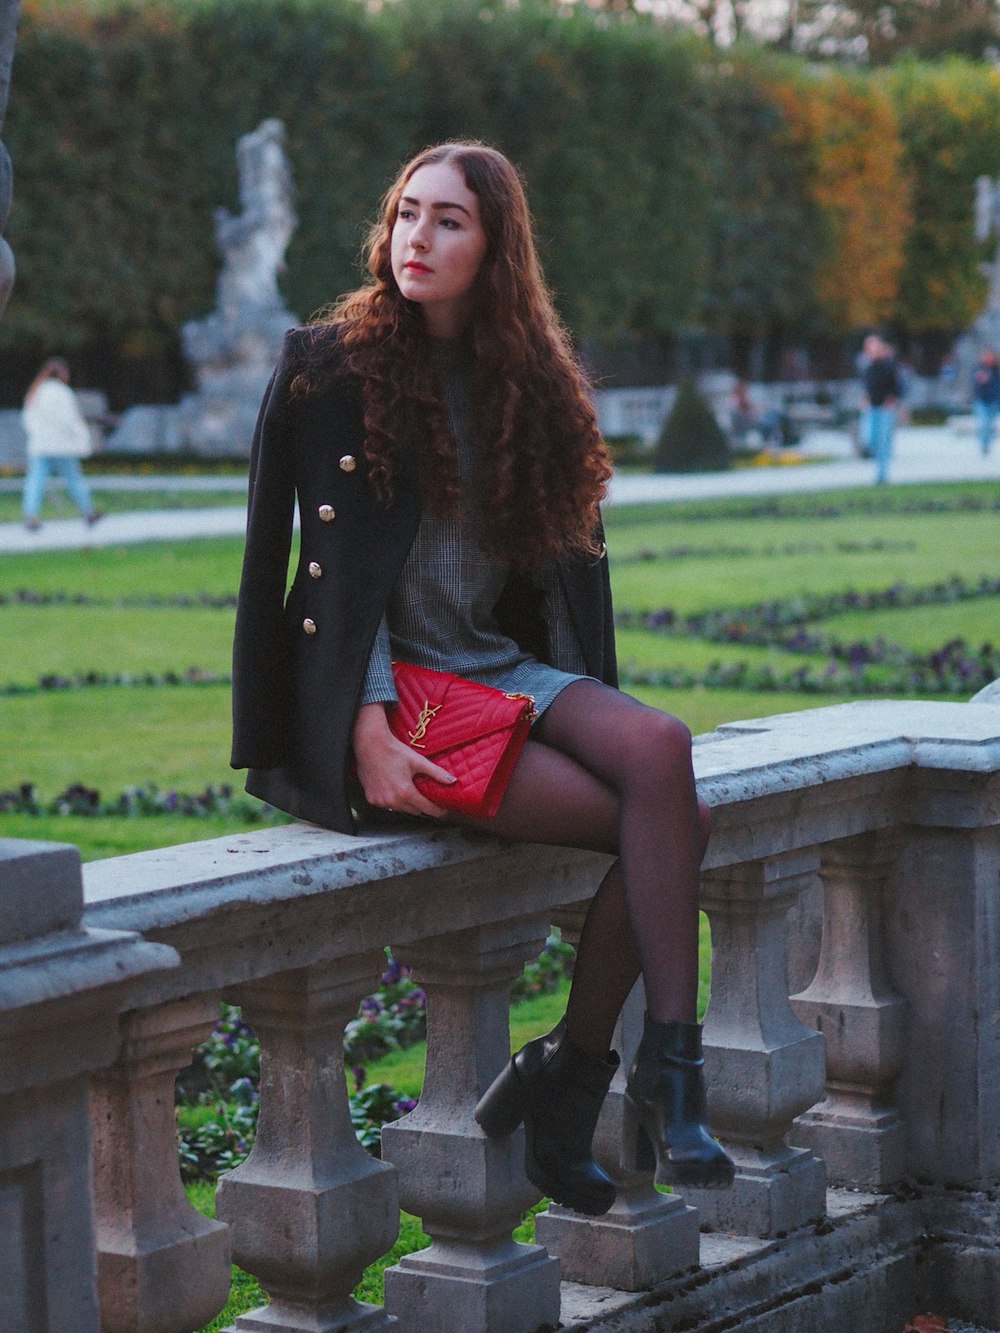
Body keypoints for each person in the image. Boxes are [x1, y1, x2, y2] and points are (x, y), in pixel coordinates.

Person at [231, 141, 734, 1215]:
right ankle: (605, 1080)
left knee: (661, 750)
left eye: (449, 220)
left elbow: (563, 582)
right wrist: (358, 727)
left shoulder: (535, 382)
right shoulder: (330, 366)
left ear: (496, 245)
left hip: (502, 675)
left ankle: (632, 1067)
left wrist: (566, 703)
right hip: (401, 702)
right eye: (408, 213)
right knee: (674, 820)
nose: (417, 236)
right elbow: (324, 576)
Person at [21, 357, 103, 530]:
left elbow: (27, 419)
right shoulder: (63, 393)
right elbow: (72, 421)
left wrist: (38, 435)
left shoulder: (36, 391)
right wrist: (84, 441)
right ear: (63, 374)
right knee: (74, 480)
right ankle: (88, 512)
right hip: (63, 446)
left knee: (35, 480)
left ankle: (31, 515)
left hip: (40, 445)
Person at [860, 335, 903, 485]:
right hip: (872, 408)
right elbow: (868, 387)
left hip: (885, 409)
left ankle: (882, 475)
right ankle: (878, 464)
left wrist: (891, 400)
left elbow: (897, 388)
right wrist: (865, 400)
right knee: (870, 440)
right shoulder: (868, 368)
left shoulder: (889, 366)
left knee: (883, 442)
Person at [971, 347, 1000, 457]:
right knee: (984, 423)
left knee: (989, 424)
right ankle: (984, 445)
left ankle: (986, 443)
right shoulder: (978, 369)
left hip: (995, 401)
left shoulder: (996, 370)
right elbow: (975, 384)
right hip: (981, 401)